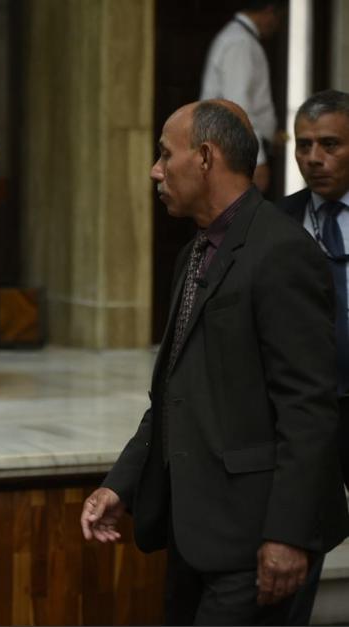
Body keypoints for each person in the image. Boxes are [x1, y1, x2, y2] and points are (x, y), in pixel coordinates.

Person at [79, 99, 349, 625]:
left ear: (204, 157)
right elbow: (175, 395)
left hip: (254, 538)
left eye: (164, 155)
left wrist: (287, 536)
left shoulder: (281, 252)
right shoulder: (195, 252)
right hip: (195, 531)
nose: (156, 171)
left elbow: (308, 410)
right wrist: (121, 483)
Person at [278, 89, 349, 625]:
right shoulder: (278, 223)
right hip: (309, 413)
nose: (313, 158)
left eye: (330, 144)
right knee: (299, 544)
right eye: (304, 145)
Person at [200, 0, 286, 192]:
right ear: (269, 10)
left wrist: (271, 135)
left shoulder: (241, 38)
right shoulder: (240, 42)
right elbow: (238, 105)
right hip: (233, 150)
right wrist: (257, 159)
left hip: (237, 146)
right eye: (279, 18)